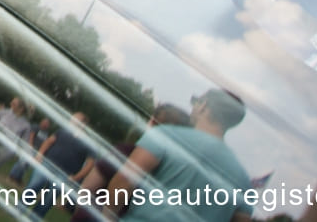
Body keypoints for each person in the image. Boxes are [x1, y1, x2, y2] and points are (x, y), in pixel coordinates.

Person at [105, 89, 251, 222]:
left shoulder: (167, 135)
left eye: (195, 102)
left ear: (203, 106)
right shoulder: (243, 179)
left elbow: (125, 180)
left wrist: (106, 217)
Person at [25, 112, 95, 217]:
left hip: (65, 175)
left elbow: (90, 164)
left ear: (83, 123)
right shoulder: (62, 131)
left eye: (75, 119)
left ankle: (33, 218)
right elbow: (49, 142)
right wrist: (40, 155)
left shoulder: (89, 142)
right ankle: (19, 209)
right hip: (47, 164)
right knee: (33, 186)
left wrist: (76, 177)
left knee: (49, 199)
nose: (71, 120)